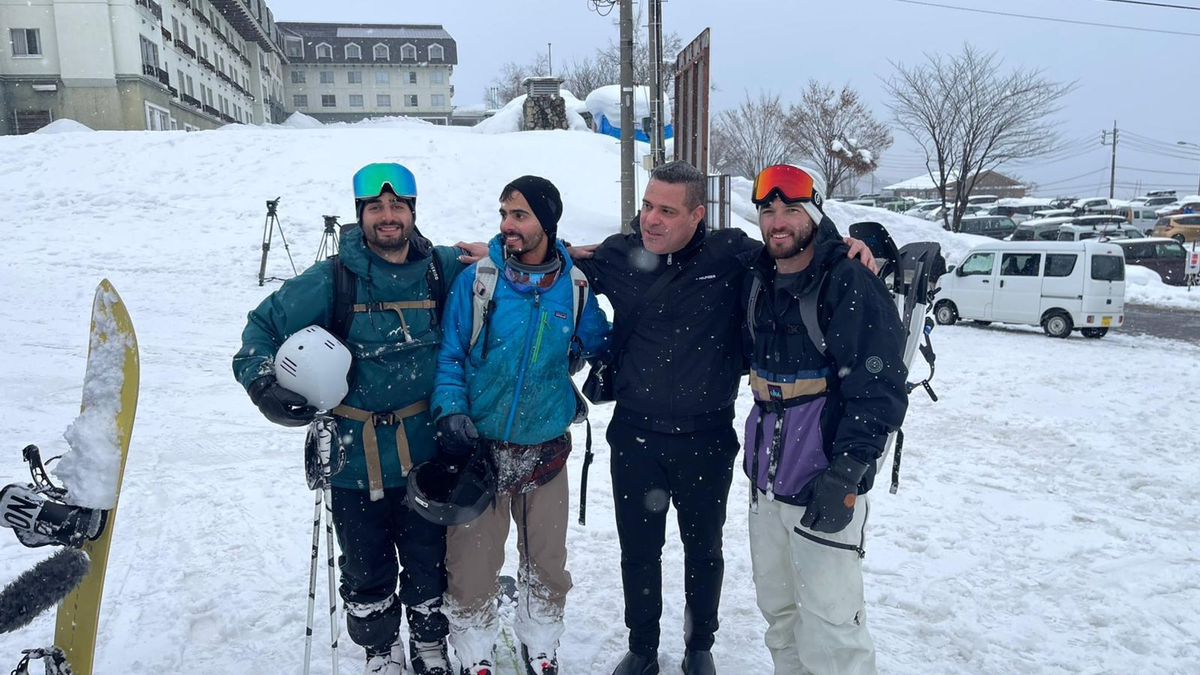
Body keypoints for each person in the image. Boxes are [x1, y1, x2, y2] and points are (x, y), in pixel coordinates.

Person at [567, 161, 875, 675]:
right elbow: (557, 264)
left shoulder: (731, 254)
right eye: (647, 206)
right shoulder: (620, 254)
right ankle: (642, 647)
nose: (651, 219)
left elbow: (794, 247)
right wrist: (506, 252)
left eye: (667, 211)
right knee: (638, 551)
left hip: (706, 438)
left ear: (697, 215)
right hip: (635, 436)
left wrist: (846, 245)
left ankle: (698, 646)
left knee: (703, 551)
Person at [232, 163, 466, 675]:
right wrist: (262, 385)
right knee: (365, 567)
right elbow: (261, 328)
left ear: (412, 212)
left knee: (429, 559)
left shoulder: (439, 268)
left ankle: (430, 644)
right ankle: (380, 651)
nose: (388, 215)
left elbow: (507, 258)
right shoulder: (332, 279)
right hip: (352, 457)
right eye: (375, 207)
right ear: (360, 215)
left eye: (397, 206)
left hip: (426, 453)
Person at [429, 176, 611, 675]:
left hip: (546, 447)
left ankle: (542, 640)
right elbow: (450, 355)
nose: (507, 225)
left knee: (547, 562)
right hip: (481, 448)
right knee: (472, 562)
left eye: (520, 215)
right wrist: (451, 409)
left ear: (547, 224)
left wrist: (602, 360)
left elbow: (599, 341)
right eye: (504, 214)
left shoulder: (574, 288)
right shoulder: (479, 281)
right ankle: (474, 647)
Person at [741, 164, 908, 675]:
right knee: (779, 614)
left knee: (833, 624)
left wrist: (847, 473)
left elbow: (879, 388)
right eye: (768, 210)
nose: (777, 222)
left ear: (815, 213)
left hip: (823, 482)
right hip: (766, 485)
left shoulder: (848, 280)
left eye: (791, 209)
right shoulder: (758, 278)